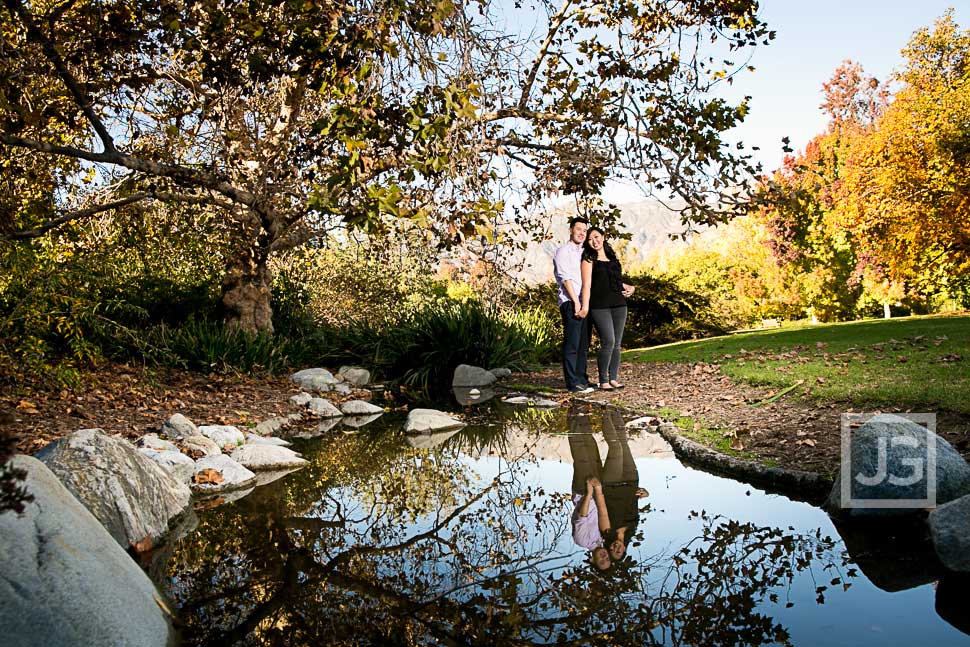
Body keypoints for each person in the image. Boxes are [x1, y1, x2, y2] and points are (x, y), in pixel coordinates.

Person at [579, 227, 635, 390]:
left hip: (619, 304)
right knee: (608, 341)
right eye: (590, 239)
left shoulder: (612, 258)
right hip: (599, 306)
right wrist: (585, 307)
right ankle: (603, 380)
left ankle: (613, 379)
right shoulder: (588, 259)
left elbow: (616, 281)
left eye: (596, 237)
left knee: (617, 344)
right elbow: (587, 285)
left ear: (603, 237)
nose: (594, 241)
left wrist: (631, 287)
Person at [553, 217, 593, 394]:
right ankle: (572, 382)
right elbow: (565, 278)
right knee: (572, 344)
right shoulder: (563, 251)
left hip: (584, 301)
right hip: (571, 302)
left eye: (585, 231)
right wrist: (576, 302)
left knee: (584, 343)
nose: (582, 233)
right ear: (571, 230)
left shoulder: (585, 252)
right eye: (579, 229)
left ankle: (582, 379)